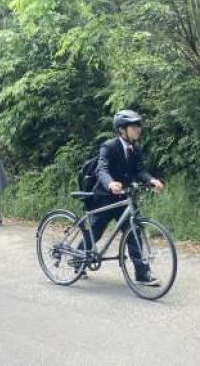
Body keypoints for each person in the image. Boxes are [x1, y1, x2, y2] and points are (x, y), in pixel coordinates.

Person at [79, 109, 164, 285]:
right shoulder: (109, 146)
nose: (138, 129)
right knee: (95, 232)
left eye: (138, 126)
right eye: (134, 126)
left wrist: (151, 180)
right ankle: (79, 261)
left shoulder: (136, 149)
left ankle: (142, 274)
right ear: (122, 130)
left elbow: (140, 170)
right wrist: (110, 183)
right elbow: (101, 169)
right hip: (104, 197)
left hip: (124, 198)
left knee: (134, 231)